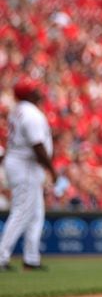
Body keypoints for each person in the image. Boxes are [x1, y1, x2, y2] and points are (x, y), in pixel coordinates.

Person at [0, 78, 56, 272]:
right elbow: (37, 146)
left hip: (24, 164)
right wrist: (52, 169)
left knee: (36, 213)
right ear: (28, 94)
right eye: (35, 90)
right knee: (22, 211)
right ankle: (1, 256)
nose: (39, 92)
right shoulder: (31, 113)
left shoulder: (19, 110)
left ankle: (31, 259)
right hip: (24, 166)